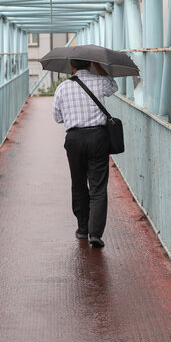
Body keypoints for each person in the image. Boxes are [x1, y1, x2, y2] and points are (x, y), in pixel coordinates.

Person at [52, 59, 118, 248]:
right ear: (89, 65)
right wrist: (100, 68)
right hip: (98, 137)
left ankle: (82, 229)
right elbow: (114, 87)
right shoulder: (100, 82)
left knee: (78, 183)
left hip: (74, 139)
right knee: (98, 186)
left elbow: (57, 117)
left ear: (72, 67)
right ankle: (95, 233)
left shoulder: (63, 87)